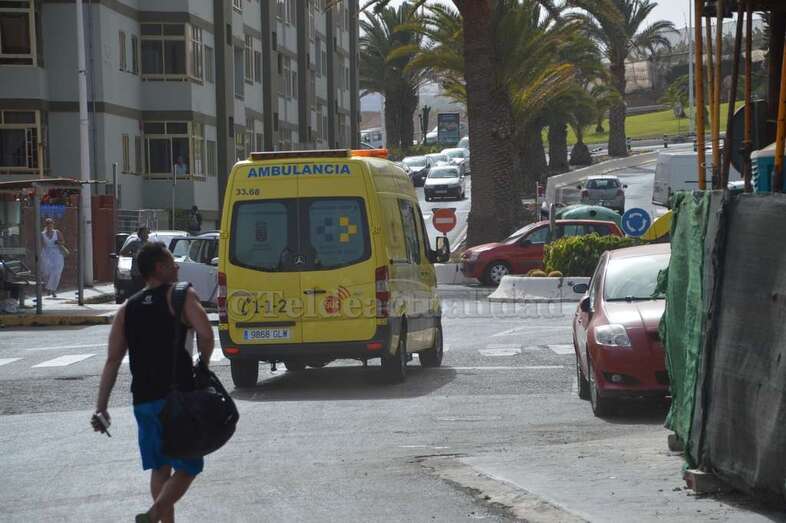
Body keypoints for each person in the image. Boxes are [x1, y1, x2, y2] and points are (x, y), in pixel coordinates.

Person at [92, 242, 214, 523]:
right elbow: (206, 334)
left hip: (143, 401)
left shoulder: (127, 309)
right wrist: (203, 366)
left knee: (160, 469)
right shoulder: (180, 296)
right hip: (178, 397)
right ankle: (154, 514)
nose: (178, 267)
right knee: (190, 465)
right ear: (159, 268)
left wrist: (102, 407)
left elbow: (112, 360)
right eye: (173, 262)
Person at [121, 227, 151, 296]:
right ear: (140, 234)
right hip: (136, 271)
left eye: (147, 233)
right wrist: (134, 255)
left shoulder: (149, 244)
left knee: (146, 291)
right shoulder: (134, 242)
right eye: (145, 232)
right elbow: (122, 252)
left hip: (146, 272)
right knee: (137, 290)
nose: (147, 234)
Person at [40, 218, 65, 297]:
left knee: (56, 272)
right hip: (46, 254)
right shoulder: (42, 234)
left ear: (53, 225)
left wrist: (58, 242)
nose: (50, 226)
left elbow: (63, 242)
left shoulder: (57, 232)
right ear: (46, 225)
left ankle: (53, 290)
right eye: (48, 224)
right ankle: (48, 288)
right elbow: (40, 245)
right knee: (47, 272)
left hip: (57, 254)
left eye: (51, 224)